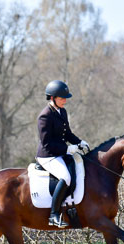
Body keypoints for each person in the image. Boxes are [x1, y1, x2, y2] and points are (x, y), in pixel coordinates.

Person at [36, 80, 89, 227]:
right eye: (62, 98)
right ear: (52, 98)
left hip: (59, 152)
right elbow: (47, 143)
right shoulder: (44, 116)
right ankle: (53, 215)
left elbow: (67, 134)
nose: (65, 101)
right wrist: (67, 149)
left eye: (65, 98)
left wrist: (79, 142)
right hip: (47, 156)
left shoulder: (62, 111)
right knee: (65, 177)